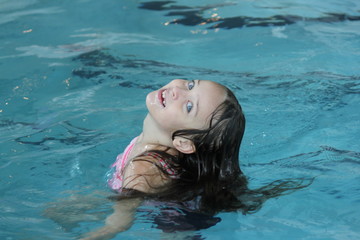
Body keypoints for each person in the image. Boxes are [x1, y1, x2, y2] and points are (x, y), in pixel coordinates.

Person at [81, 79, 310, 239]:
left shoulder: (145, 169)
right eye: (191, 84)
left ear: (183, 143)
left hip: (176, 220)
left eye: (189, 106)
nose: (178, 90)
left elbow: (121, 220)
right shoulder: (157, 137)